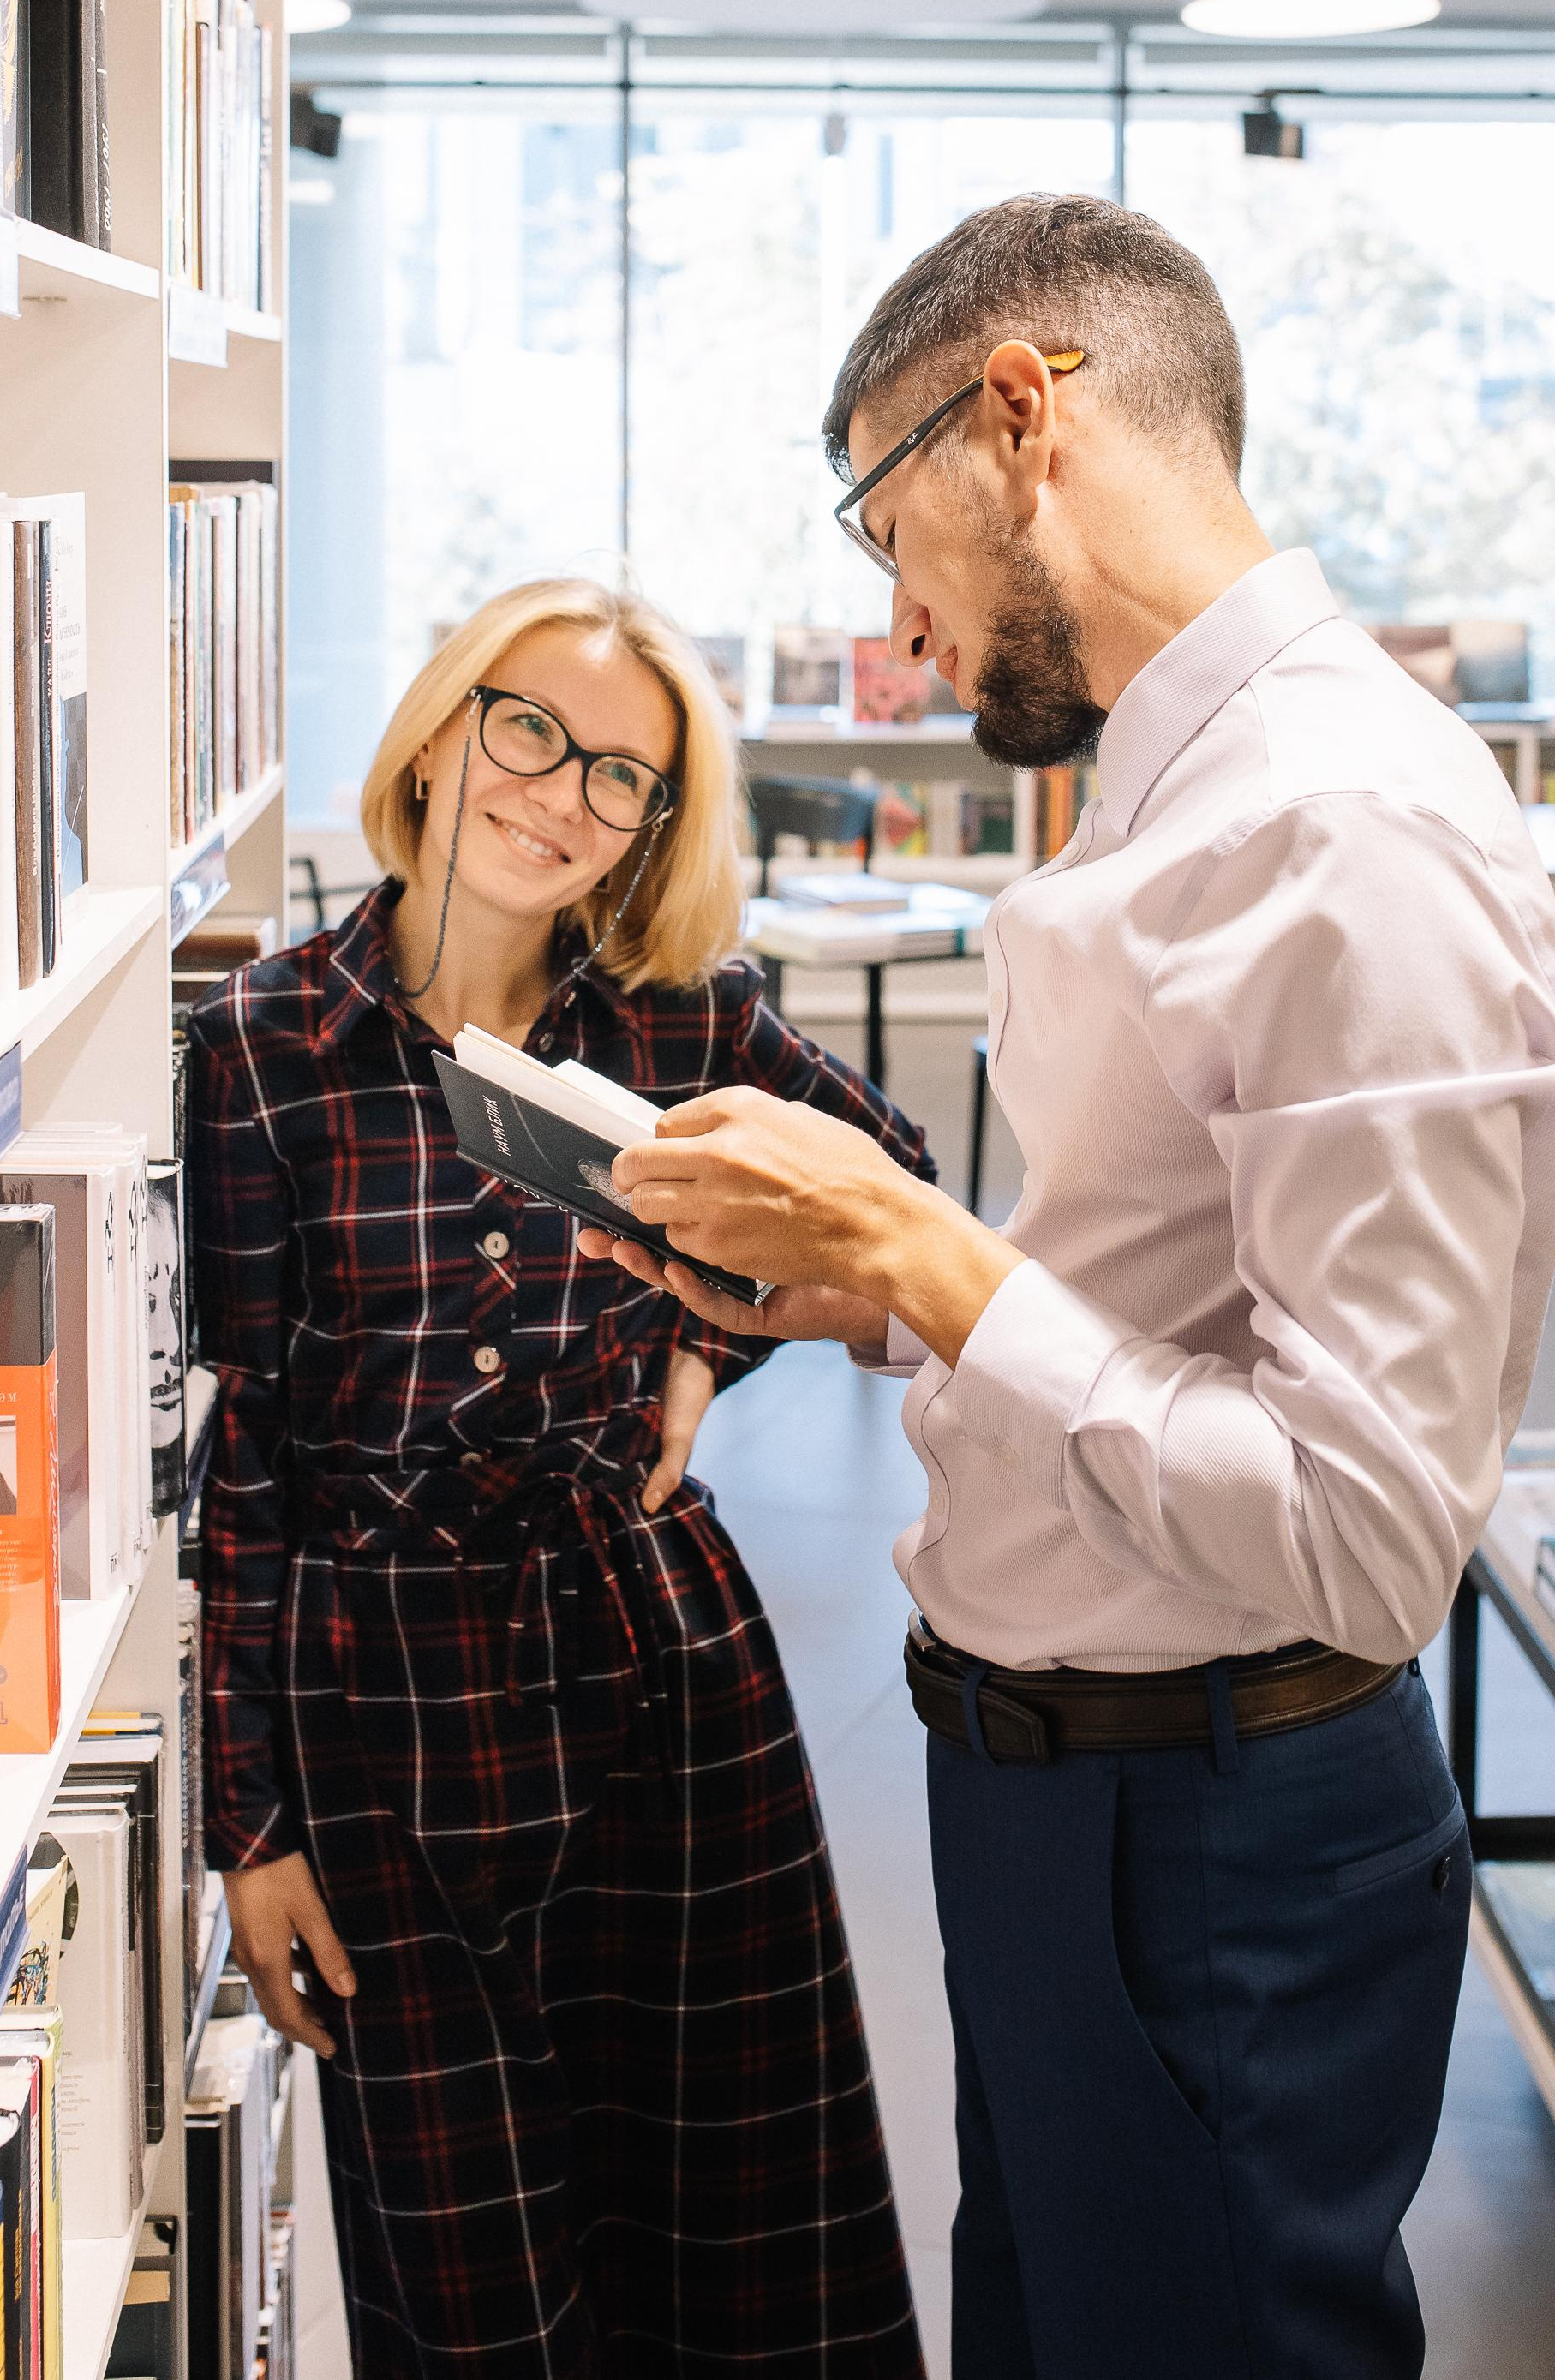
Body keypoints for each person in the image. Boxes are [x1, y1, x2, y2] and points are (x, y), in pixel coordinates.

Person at [589, 195, 1555, 2380]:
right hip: (1069, 1796)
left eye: (888, 529)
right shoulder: (1177, 772)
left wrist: (932, 1255)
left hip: (1207, 1824)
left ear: (1021, 412)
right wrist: (871, 1288)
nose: (898, 623)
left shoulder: (1341, 827)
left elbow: (1361, 1526)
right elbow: (1175, 1276)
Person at [187, 575, 930, 2380]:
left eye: (619, 775)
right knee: (473, 2287)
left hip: (660, 1665)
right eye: (527, 729)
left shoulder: (688, 1026)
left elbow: (898, 1201)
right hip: (388, 1711)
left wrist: (709, 1339)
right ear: (434, 740)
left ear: (649, 825)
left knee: (734, 2246)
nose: (558, 793)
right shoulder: (264, 1051)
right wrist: (247, 1825)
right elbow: (242, 1461)